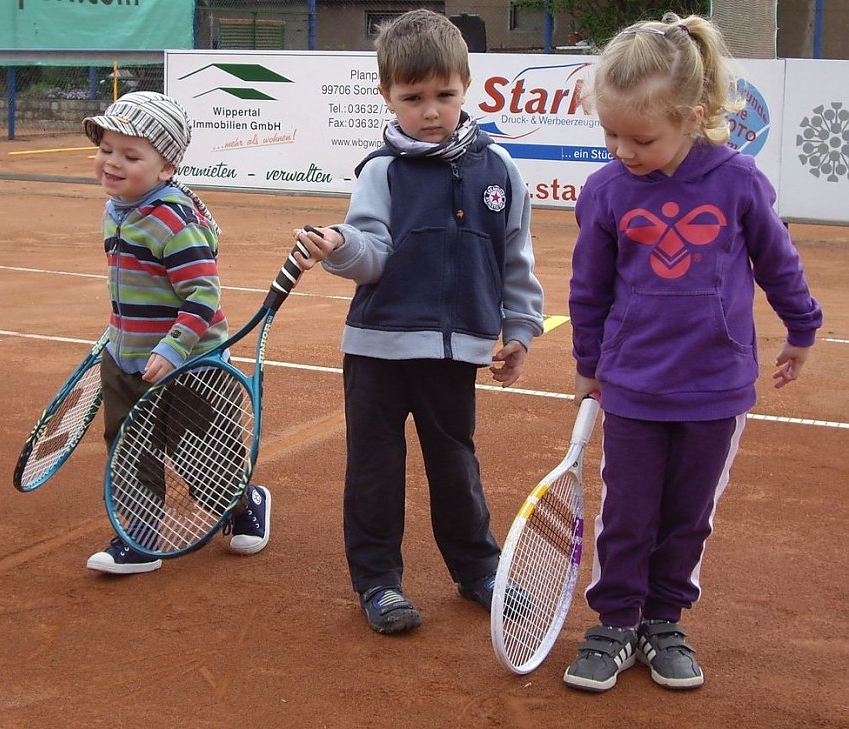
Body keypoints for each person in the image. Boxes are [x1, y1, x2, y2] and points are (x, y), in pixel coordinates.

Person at [564, 13, 823, 691]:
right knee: (628, 512)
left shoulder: (737, 181)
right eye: (610, 133)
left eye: (641, 137)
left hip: (716, 388)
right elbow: (587, 288)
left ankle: (664, 618)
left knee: (687, 516)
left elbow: (780, 263)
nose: (622, 149)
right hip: (633, 387)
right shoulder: (606, 192)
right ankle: (615, 620)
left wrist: (801, 329)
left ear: (695, 116)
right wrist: (589, 365)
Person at [291, 9, 544, 634]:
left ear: (466, 86)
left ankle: (479, 571)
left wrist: (521, 330)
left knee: (456, 466)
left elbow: (516, 257)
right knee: (374, 471)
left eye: (444, 95)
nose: (430, 111)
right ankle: (378, 582)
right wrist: (339, 245)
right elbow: (372, 253)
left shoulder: (501, 171)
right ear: (387, 96)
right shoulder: (382, 171)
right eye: (412, 98)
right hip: (377, 351)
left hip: (454, 356)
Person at [81, 91, 271, 575]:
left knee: (203, 461)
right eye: (106, 149)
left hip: (190, 366)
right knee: (129, 447)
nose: (112, 163)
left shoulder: (173, 219)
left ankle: (243, 503)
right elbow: (127, 286)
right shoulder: (117, 209)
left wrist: (172, 347)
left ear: (165, 168)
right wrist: (116, 335)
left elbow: (202, 298)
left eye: (130, 155)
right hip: (126, 361)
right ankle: (139, 537)